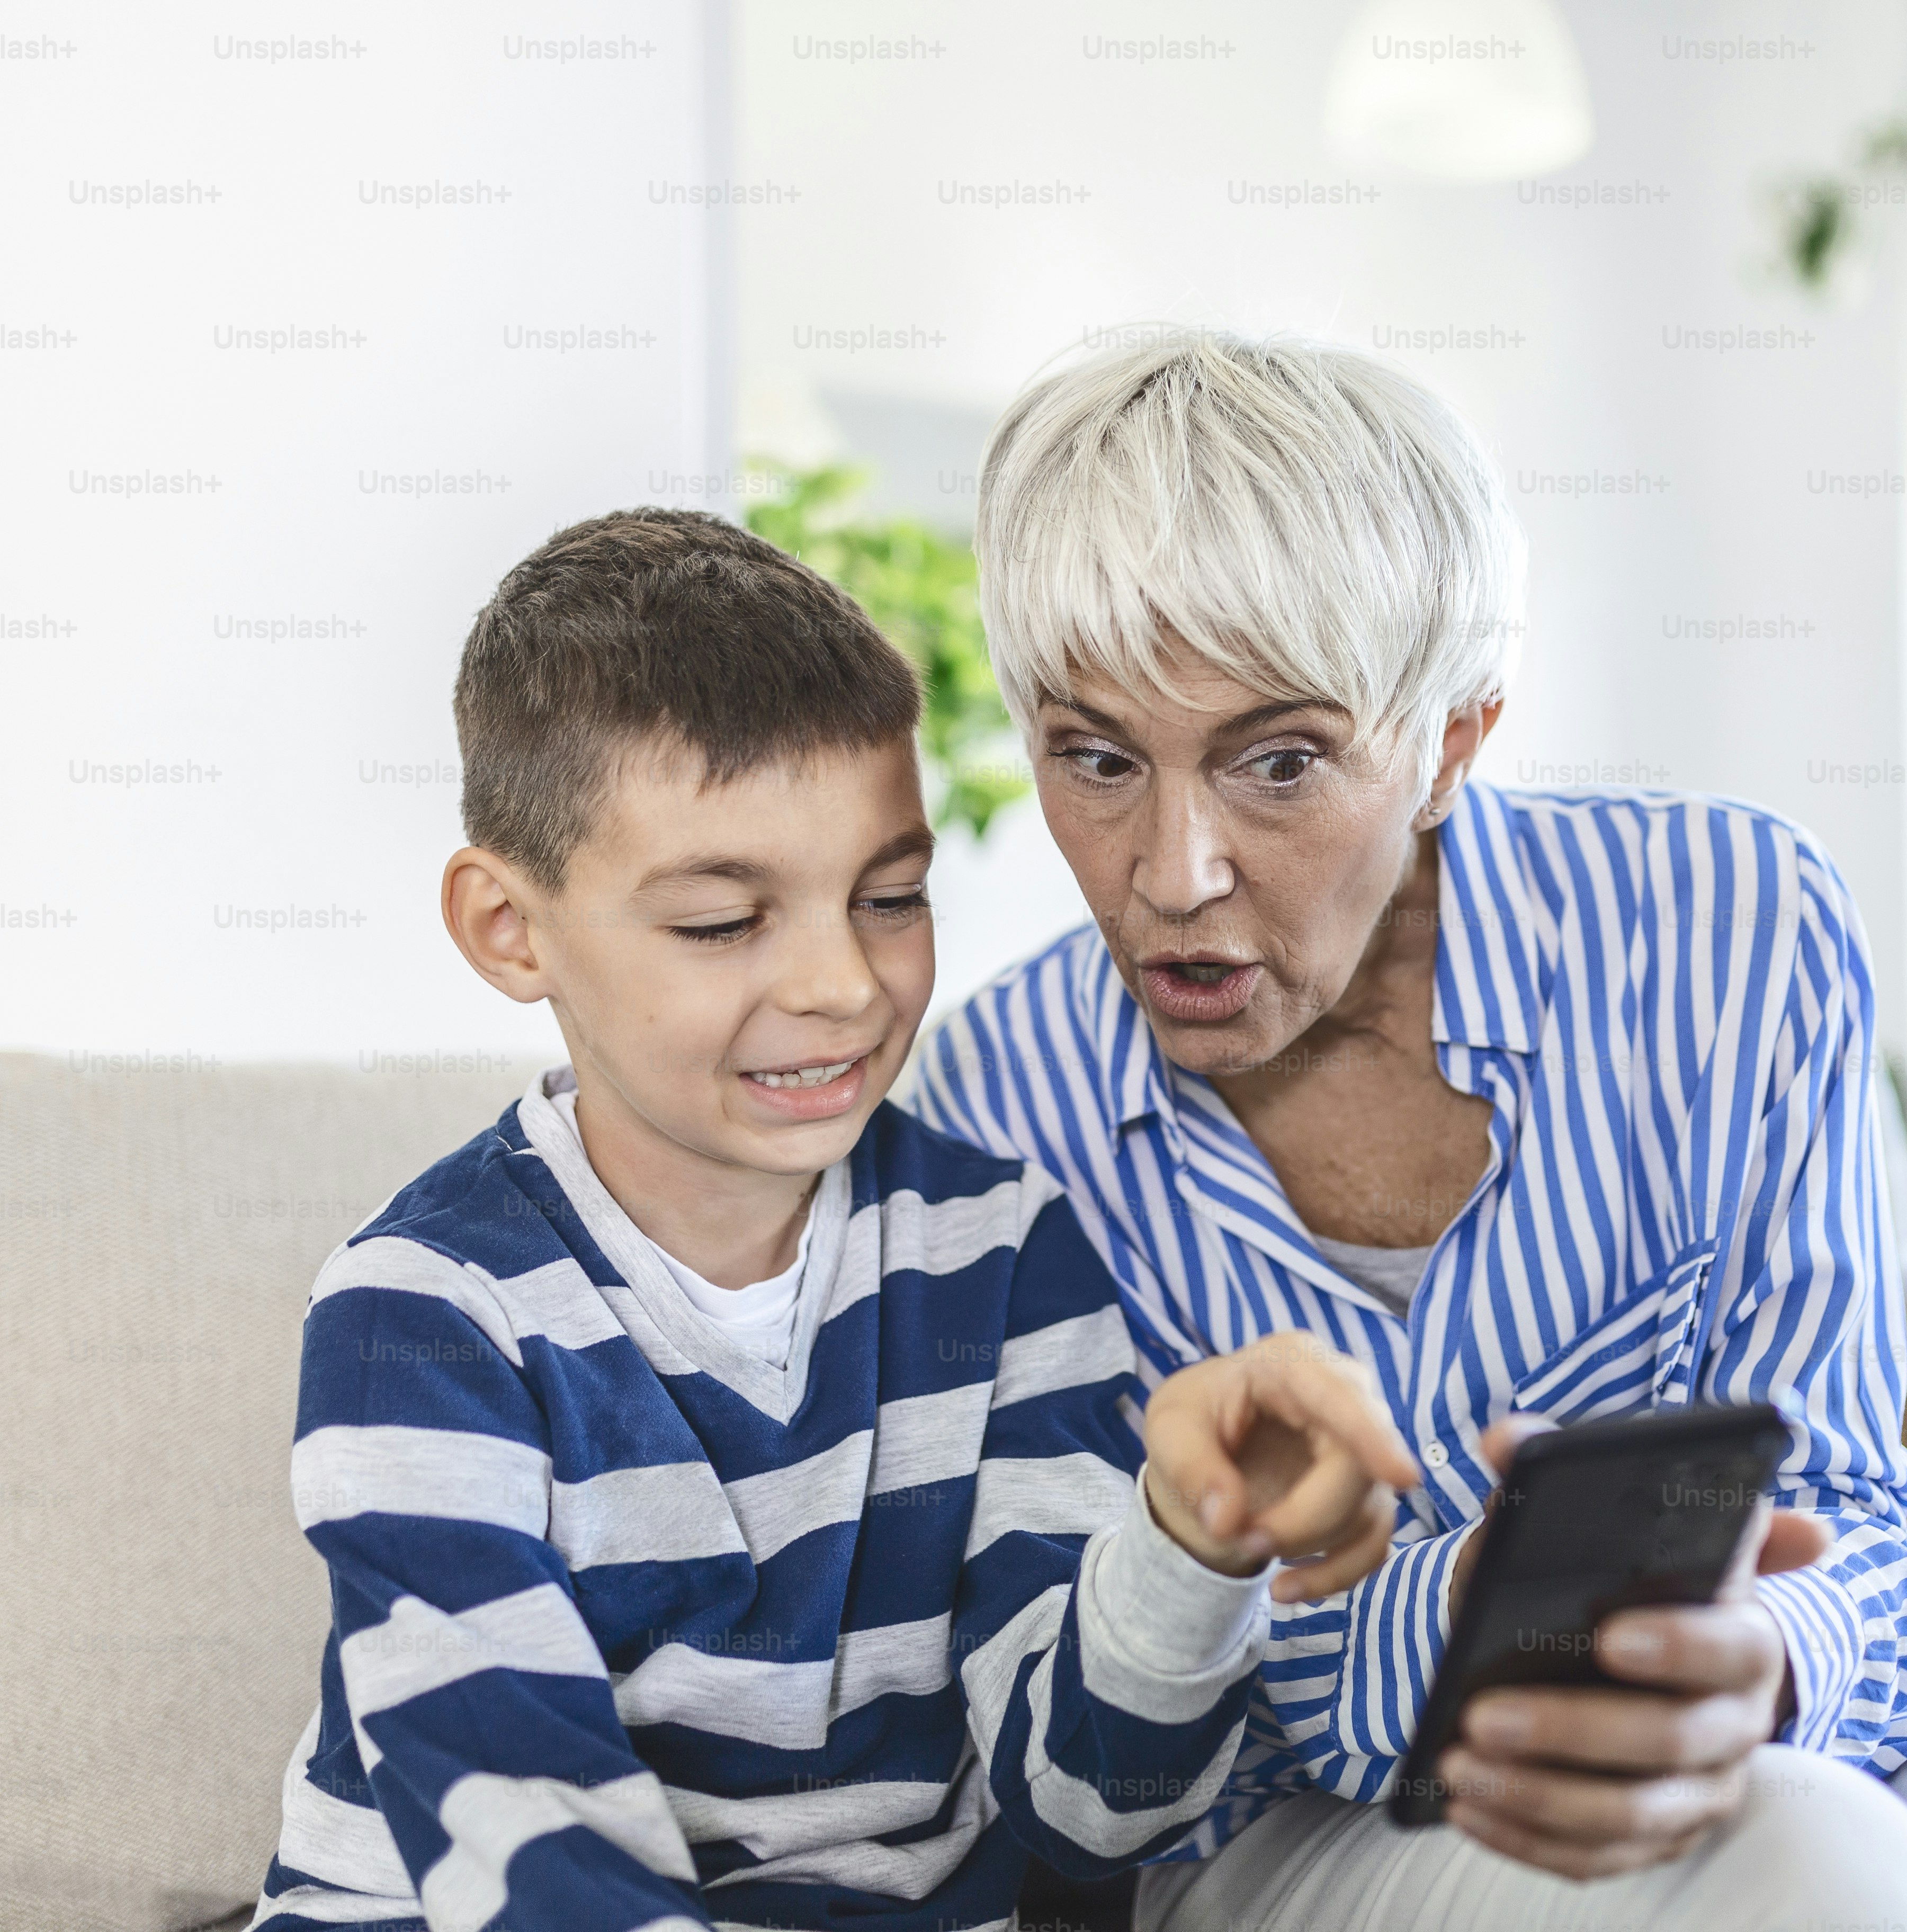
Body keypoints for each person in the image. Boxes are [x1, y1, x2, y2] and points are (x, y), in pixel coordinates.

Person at [911, 333, 1907, 1931]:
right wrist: (1457, 1614)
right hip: (1314, 1813)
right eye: (1096, 757)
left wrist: (1763, 1660)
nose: (1171, 874)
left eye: (1284, 763)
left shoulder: (1732, 932)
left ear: (1453, 740)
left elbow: (1844, 1494)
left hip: (1856, 1713)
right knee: (1812, 1865)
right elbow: (1117, 1715)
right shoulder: (998, 1101)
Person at [251, 509, 1422, 1932]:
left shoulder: (1001, 1259)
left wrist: (1189, 1544)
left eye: (890, 898)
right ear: (513, 930)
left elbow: (1095, 1809)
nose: (841, 987)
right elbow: (532, 1858)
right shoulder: (422, 1318)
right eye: (721, 921)